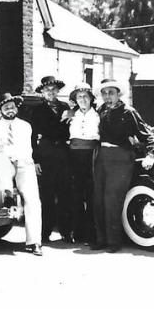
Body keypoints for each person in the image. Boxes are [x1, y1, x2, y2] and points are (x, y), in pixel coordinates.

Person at [92, 79, 154, 252]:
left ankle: (114, 242)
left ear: (118, 94)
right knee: (98, 198)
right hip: (102, 157)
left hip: (121, 157)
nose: (107, 96)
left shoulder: (129, 112)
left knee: (112, 200)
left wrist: (150, 154)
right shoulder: (102, 110)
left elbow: (145, 135)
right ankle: (101, 240)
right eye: (104, 93)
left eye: (111, 92)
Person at [0, 93, 43, 256]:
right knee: (3, 160)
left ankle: (34, 242)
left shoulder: (25, 126)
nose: (10, 110)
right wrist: (9, 156)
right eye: (6, 107)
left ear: (16, 107)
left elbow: (26, 149)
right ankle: (7, 193)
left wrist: (17, 158)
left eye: (12, 106)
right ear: (0, 110)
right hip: (6, 165)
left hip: (24, 165)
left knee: (33, 201)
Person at [28, 75, 71, 243]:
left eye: (53, 89)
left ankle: (66, 232)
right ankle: (45, 233)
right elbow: (32, 137)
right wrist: (35, 160)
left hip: (62, 153)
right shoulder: (37, 110)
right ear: (42, 92)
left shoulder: (65, 107)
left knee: (65, 193)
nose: (50, 92)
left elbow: (68, 131)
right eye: (47, 90)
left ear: (58, 91)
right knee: (46, 195)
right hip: (45, 154)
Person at [63, 83, 99, 244]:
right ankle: (77, 232)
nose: (82, 99)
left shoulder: (99, 115)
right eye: (79, 96)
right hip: (74, 156)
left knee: (91, 194)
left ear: (91, 98)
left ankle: (92, 234)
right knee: (75, 194)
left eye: (85, 96)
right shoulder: (70, 115)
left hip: (92, 155)